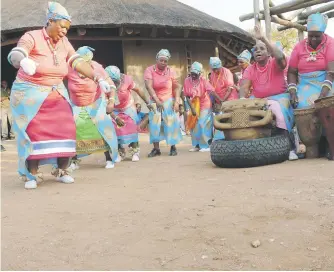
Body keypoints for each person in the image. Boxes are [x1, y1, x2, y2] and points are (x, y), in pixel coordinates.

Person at [7, 2, 111, 189]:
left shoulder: (64, 42)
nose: (64, 31)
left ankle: (62, 170)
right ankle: (32, 175)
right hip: (31, 92)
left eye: (67, 28)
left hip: (56, 92)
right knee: (34, 132)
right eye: (62, 27)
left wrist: (97, 77)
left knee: (67, 128)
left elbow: (77, 61)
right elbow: (15, 53)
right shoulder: (32, 36)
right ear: (50, 22)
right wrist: (23, 61)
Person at [239, 25, 297, 161]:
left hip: (279, 97)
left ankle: (290, 147)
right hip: (258, 99)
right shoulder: (251, 69)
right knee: (242, 112)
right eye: (255, 49)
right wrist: (242, 99)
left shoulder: (275, 62)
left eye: (262, 48)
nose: (258, 51)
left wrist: (263, 38)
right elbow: (244, 86)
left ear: (269, 52)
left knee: (278, 112)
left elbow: (280, 57)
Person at [67, 46, 118, 170]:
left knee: (100, 130)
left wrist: (111, 101)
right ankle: (74, 160)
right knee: (74, 132)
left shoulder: (97, 68)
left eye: (88, 62)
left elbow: (111, 85)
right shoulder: (69, 68)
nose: (86, 65)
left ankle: (109, 158)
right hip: (76, 105)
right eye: (82, 62)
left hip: (95, 103)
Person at [105, 65, 153, 162]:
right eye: (111, 81)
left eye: (115, 81)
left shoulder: (127, 79)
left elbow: (138, 90)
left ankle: (135, 151)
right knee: (116, 131)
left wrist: (148, 103)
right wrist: (115, 117)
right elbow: (104, 104)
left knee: (131, 129)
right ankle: (120, 152)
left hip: (128, 107)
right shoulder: (104, 85)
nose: (113, 83)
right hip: (114, 109)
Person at [288, 13, 334, 109]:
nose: (313, 39)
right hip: (304, 85)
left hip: (326, 83)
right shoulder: (299, 47)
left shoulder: (330, 43)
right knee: (297, 104)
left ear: (323, 33)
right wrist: (293, 92)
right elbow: (292, 72)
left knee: (328, 104)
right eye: (310, 35)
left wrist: (322, 97)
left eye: (317, 36)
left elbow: (331, 73)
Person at [144, 49, 182, 157]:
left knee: (170, 123)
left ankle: (173, 146)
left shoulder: (171, 71)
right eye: (161, 60)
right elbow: (149, 86)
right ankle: (156, 149)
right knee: (154, 124)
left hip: (168, 100)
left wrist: (177, 102)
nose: (163, 63)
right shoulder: (149, 70)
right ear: (157, 59)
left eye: (165, 61)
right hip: (155, 101)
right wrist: (156, 100)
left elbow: (177, 87)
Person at [183, 62, 222, 152]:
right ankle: (197, 145)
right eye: (192, 73)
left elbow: (212, 91)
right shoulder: (186, 81)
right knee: (194, 125)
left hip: (205, 103)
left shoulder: (203, 80)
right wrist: (192, 108)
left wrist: (220, 100)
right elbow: (187, 96)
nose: (193, 75)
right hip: (194, 104)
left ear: (199, 73)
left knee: (203, 123)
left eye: (195, 74)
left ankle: (206, 145)